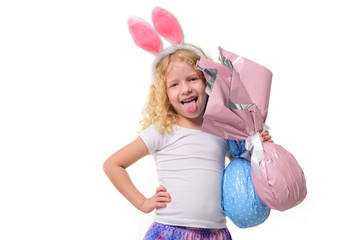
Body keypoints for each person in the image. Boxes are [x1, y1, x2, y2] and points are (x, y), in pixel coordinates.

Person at [103, 44, 272, 239]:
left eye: (192, 79)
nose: (185, 89)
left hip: (215, 233)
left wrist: (258, 146)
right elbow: (113, 164)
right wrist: (142, 203)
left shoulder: (221, 130)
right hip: (170, 230)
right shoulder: (162, 131)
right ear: (164, 95)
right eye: (174, 84)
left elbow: (243, 165)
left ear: (208, 82)